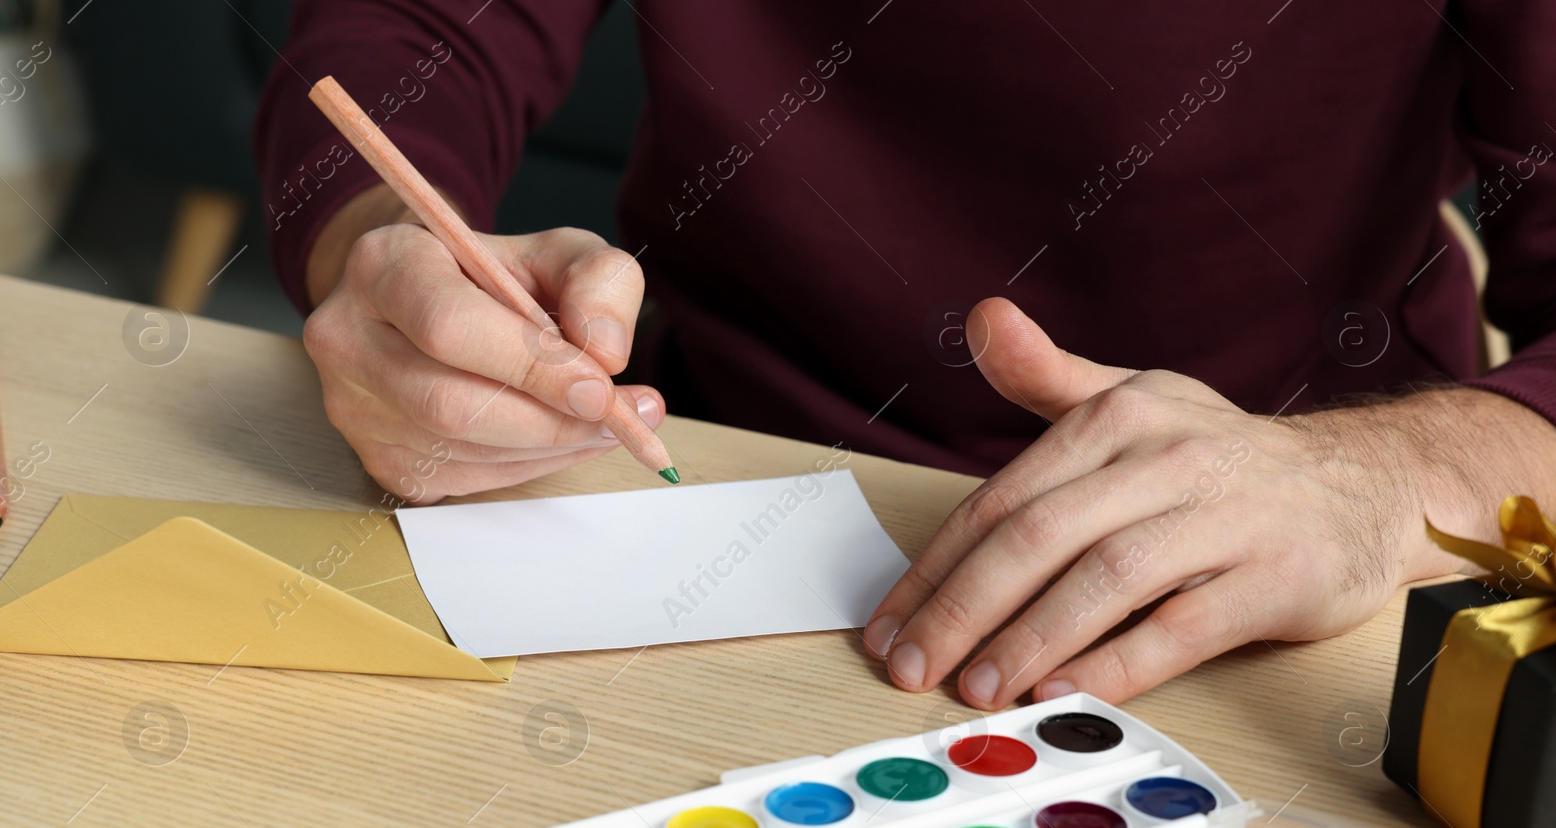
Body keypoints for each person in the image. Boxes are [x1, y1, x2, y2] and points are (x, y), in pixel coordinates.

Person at [256, 2, 1556, 711]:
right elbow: (417, 34)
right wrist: (388, 255)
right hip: (704, 490)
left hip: (1292, 601)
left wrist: (1380, 485)